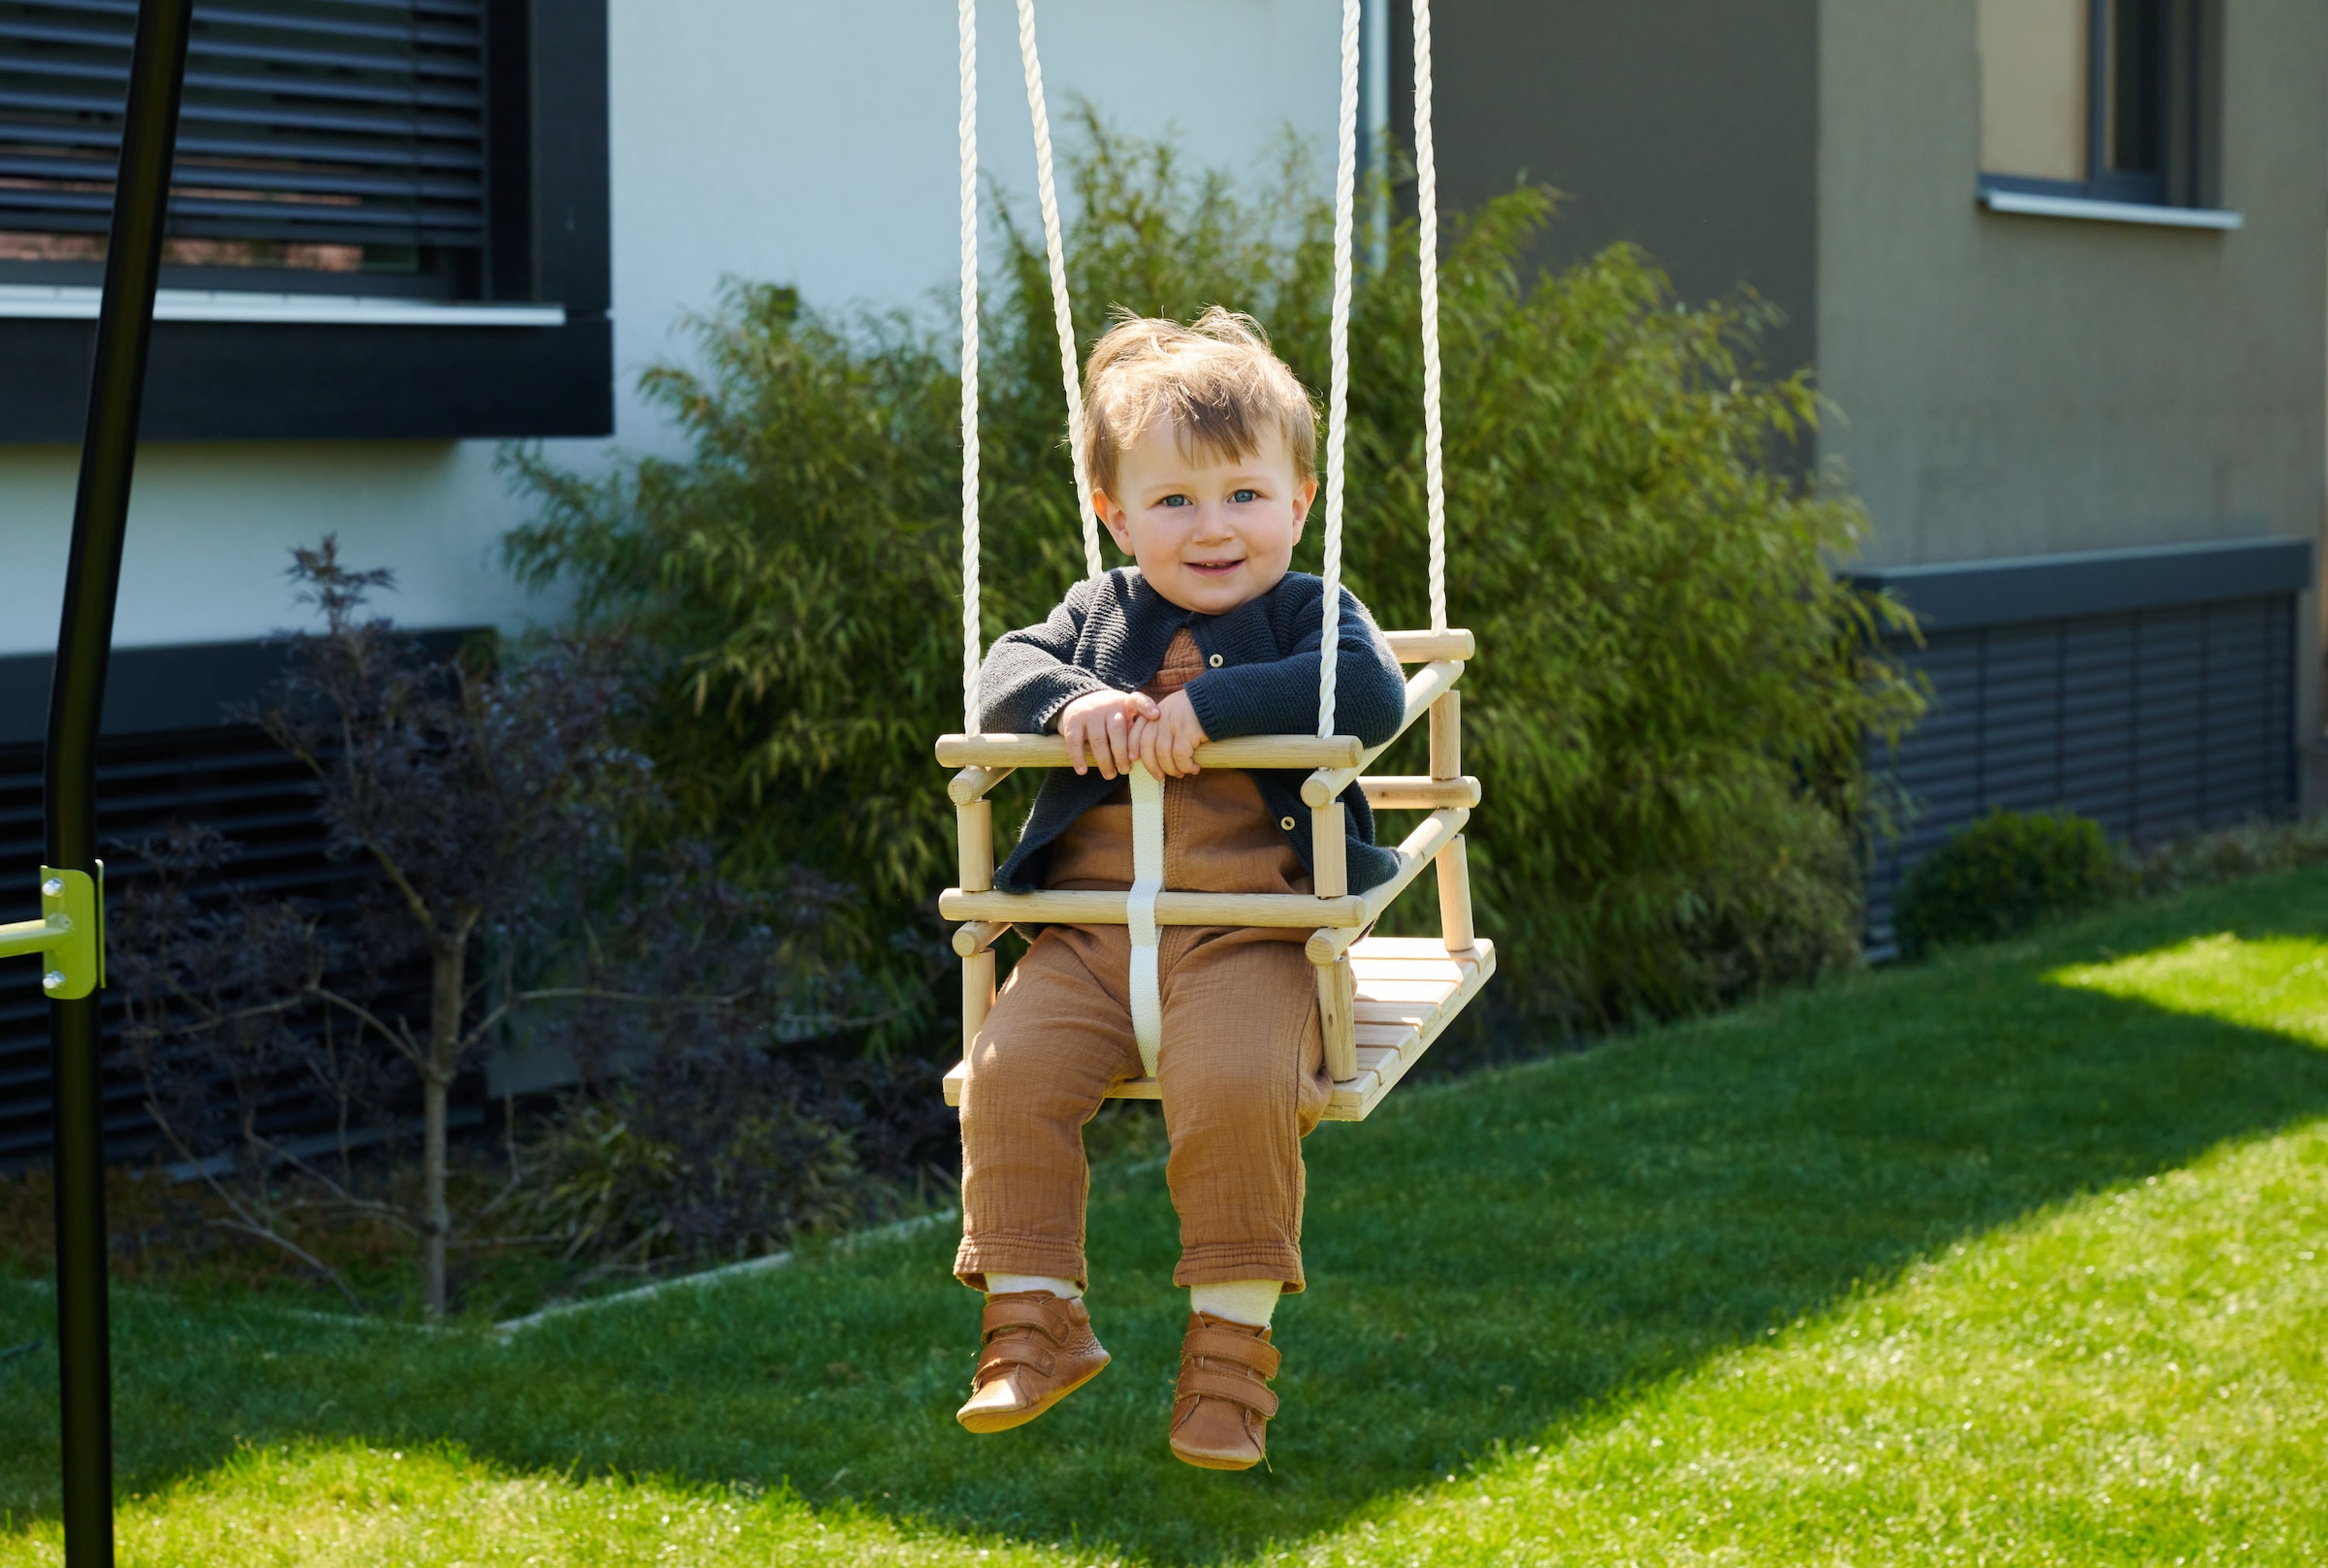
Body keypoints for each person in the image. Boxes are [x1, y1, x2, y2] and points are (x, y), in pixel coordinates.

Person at [953, 307, 1406, 1470]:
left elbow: (1368, 693)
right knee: (1005, 1078)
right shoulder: (1096, 615)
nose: (1213, 528)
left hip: (1251, 932)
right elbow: (1002, 672)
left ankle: (1227, 1356)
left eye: (1245, 495)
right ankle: (1036, 1319)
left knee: (1242, 1089)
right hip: (1089, 935)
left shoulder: (1310, 613)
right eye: (1173, 501)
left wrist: (1211, 707)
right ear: (1116, 515)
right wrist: (1074, 704)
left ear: (1299, 502)